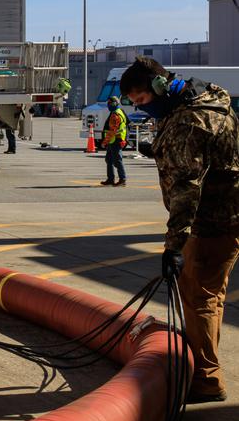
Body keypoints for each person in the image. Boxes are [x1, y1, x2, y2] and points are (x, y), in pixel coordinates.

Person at [120, 56, 239, 402]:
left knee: (198, 299)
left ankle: (206, 379)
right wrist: (159, 150)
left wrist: (174, 246)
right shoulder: (213, 103)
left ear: (160, 88)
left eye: (143, 101)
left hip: (209, 225)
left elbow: (187, 187)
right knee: (211, 297)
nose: (143, 110)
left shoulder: (188, 123)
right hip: (229, 218)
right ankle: (205, 370)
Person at [100, 95, 128, 187]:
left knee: (117, 161)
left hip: (115, 140)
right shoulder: (119, 112)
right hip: (115, 140)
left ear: (114, 104)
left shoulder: (115, 115)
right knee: (109, 160)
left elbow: (112, 131)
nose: (108, 105)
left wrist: (105, 142)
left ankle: (122, 179)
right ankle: (110, 179)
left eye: (109, 103)